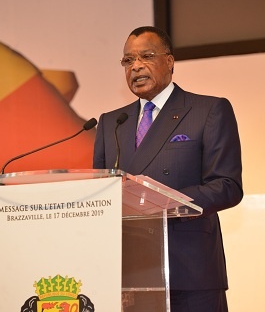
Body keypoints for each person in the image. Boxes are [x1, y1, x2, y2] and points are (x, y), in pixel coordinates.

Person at [93, 26, 243, 311]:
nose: (135, 66)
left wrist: (164, 203)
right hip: (131, 271)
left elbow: (227, 185)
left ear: (170, 61)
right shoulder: (112, 123)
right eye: (128, 61)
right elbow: (100, 193)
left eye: (146, 56)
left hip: (190, 268)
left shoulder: (208, 111)